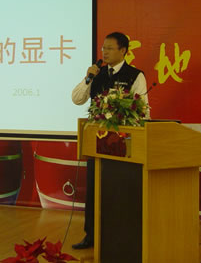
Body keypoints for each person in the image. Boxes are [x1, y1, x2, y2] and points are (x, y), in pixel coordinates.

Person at [70, 31, 149, 250]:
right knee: (94, 191)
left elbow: (144, 111)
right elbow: (77, 99)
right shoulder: (97, 74)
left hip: (123, 146)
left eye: (110, 48)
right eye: (103, 48)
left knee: (120, 193)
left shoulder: (135, 75)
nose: (104, 52)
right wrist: (88, 78)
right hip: (97, 143)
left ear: (123, 51)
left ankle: (121, 237)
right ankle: (91, 235)